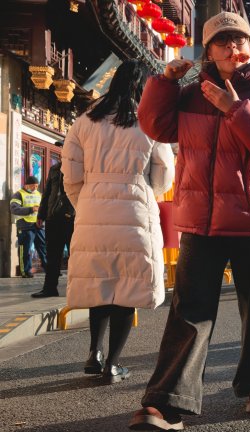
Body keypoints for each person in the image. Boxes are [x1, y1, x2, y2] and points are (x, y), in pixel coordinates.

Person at [129, 11, 250, 431]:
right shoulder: (191, 94)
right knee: (190, 309)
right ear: (209, 51)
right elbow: (155, 124)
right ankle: (166, 403)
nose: (232, 48)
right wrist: (165, 81)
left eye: (239, 41)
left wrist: (236, 109)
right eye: (222, 42)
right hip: (201, 219)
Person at [61, 59, 174, 383]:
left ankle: (94, 353)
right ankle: (113, 364)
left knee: (100, 283)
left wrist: (84, 203)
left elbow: (70, 172)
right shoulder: (148, 121)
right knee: (128, 287)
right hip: (134, 209)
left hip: (92, 207)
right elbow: (165, 171)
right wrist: (145, 191)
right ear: (143, 86)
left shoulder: (85, 120)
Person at [31, 141, 75, 298]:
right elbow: (47, 193)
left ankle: (77, 290)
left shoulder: (80, 167)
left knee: (76, 256)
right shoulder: (54, 169)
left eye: (66, 147)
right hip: (53, 219)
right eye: (62, 148)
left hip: (73, 220)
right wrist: (41, 215)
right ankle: (50, 288)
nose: (63, 150)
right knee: (52, 256)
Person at [11, 176, 47, 278]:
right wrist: (31, 209)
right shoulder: (18, 194)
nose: (35, 188)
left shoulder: (39, 194)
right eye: (33, 186)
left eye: (36, 186)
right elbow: (14, 209)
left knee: (43, 248)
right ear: (27, 185)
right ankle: (25, 271)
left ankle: (49, 269)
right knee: (25, 250)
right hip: (25, 226)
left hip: (38, 225)